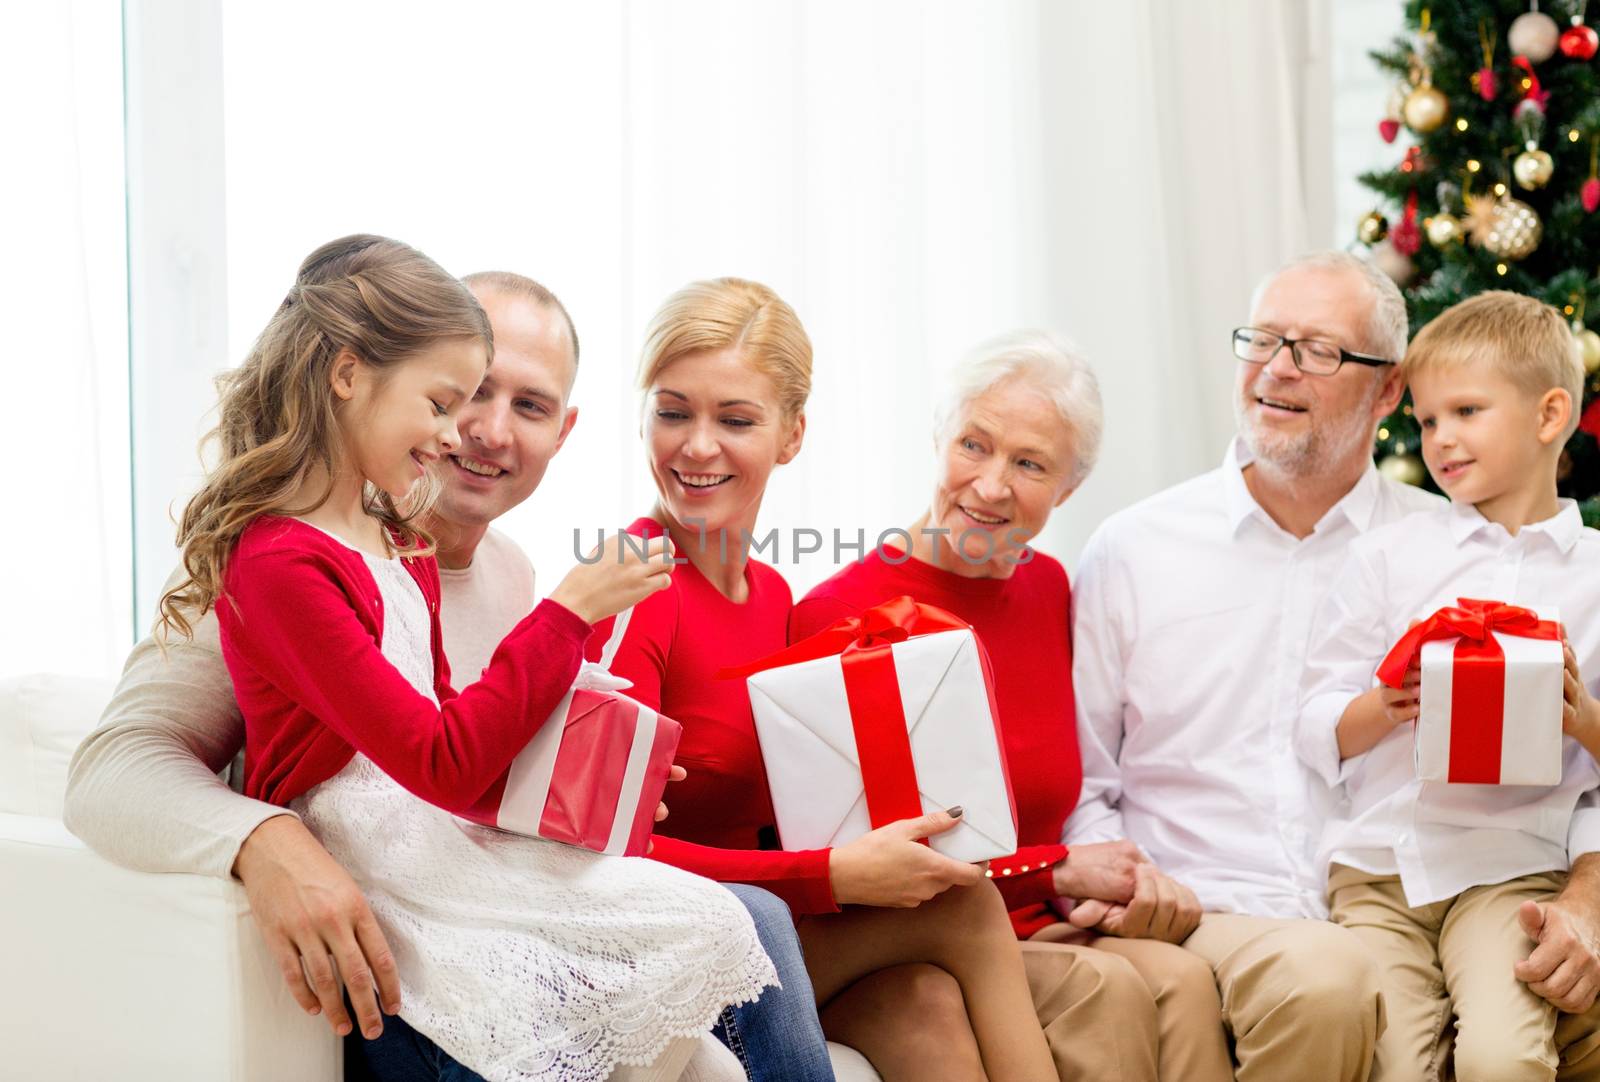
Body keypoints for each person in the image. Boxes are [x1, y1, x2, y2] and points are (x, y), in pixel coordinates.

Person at [68, 262, 836, 1082]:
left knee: (742, 926)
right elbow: (110, 770)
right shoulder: (289, 564)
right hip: (388, 916)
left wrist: (585, 770)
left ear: (564, 431)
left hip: (472, 877)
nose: (485, 430)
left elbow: (468, 754)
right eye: (461, 396)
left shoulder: (507, 577)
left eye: (529, 405)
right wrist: (266, 840)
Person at [1066, 249, 1600, 1081]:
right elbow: (1083, 784)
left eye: (1317, 349)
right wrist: (1124, 885)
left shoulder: (1455, 544)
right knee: (1328, 984)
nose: (1277, 369)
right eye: (1263, 340)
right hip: (1222, 907)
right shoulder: (1133, 549)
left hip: (1430, 891)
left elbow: (1574, 770)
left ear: (1387, 389)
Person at [591, 277, 1068, 1082]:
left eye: (734, 420)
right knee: (967, 906)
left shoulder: (774, 596)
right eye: (673, 412)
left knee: (927, 1009)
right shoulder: (633, 586)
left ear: (791, 435)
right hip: (675, 941)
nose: (697, 446)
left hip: (766, 926)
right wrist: (831, 876)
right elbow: (603, 853)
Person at [789, 330, 1232, 1082]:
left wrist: (1105, 879)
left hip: (1041, 926)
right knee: (1110, 989)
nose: (991, 486)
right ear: (938, 439)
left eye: (1028, 464)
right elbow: (871, 870)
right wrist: (1055, 871)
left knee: (1185, 982)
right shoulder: (842, 616)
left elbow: (1078, 785)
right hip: (917, 934)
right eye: (974, 445)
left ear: (1068, 489)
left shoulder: (1051, 589)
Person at [1297, 291, 1600, 1081]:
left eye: (1466, 411)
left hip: (1510, 868)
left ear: (1549, 414)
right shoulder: (1390, 556)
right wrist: (1382, 706)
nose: (1440, 440)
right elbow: (1313, 720)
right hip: (1378, 871)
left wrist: (1580, 718)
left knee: (1503, 1058)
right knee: (1392, 1063)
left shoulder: (1595, 575)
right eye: (1428, 421)